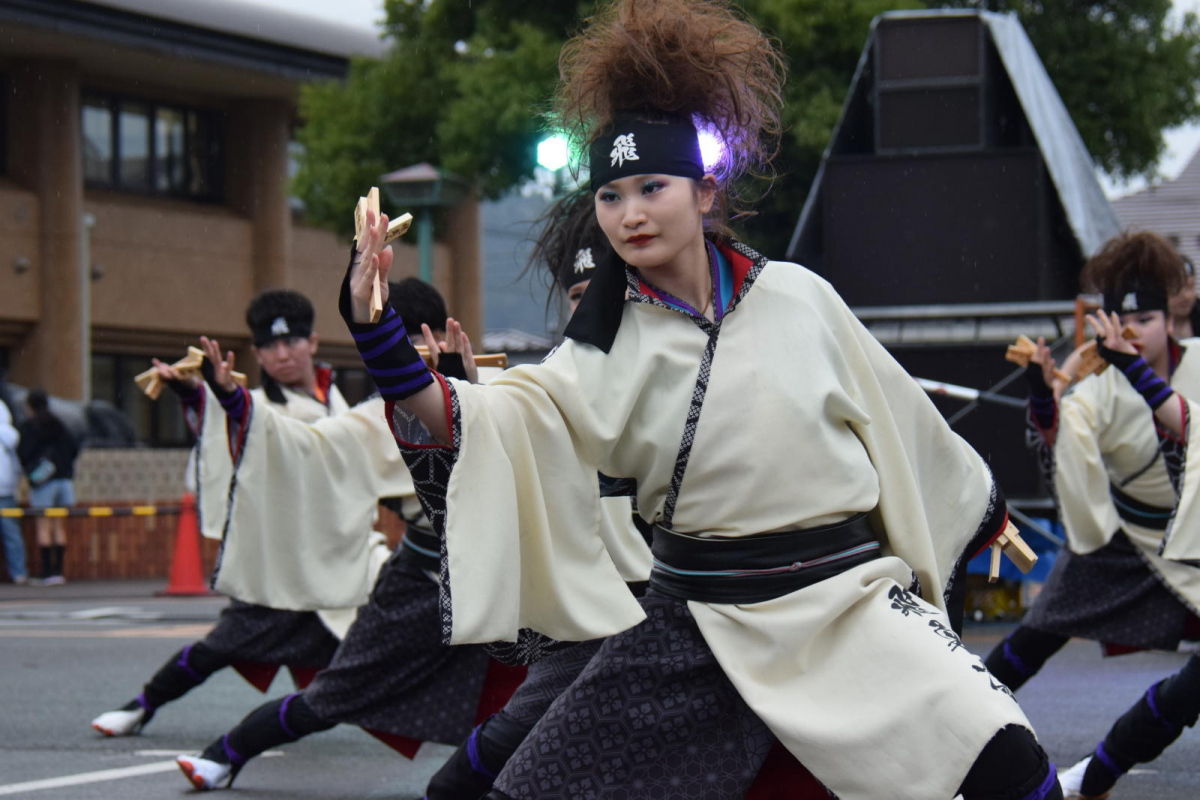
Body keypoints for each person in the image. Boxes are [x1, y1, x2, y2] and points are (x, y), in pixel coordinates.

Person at [340, 2, 1059, 799]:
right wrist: (373, 335)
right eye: (610, 196)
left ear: (706, 191)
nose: (632, 212)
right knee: (532, 788)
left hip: (844, 600)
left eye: (653, 186)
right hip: (697, 618)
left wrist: (984, 506)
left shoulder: (798, 297)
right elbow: (487, 418)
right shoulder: (600, 346)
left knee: (1007, 758)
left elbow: (897, 412)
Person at [170, 279, 515, 792]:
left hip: (499, 577)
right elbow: (301, 448)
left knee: (532, 692)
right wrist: (232, 400)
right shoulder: (374, 417)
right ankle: (228, 750)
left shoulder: (489, 389)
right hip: (419, 583)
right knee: (339, 692)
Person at [90, 290, 351, 738]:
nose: (283, 354)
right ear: (257, 353)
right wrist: (197, 392)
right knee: (223, 646)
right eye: (270, 346)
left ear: (313, 342)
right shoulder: (253, 403)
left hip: (338, 557)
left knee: (385, 648)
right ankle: (144, 705)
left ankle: (466, 732)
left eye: (292, 342)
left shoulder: (337, 403)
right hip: (277, 558)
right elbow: (231, 419)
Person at [984, 232, 1200, 695]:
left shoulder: (1198, 362)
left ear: (1169, 318)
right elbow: (1061, 445)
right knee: (1039, 632)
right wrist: (1043, 397)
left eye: (1146, 318)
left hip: (1193, 533)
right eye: (1122, 322)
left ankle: (1105, 766)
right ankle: (966, 710)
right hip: (1123, 536)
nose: (1134, 332)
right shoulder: (1097, 388)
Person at [17, 389, 79, 585]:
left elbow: (24, 453)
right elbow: (74, 447)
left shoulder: (30, 426)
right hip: (64, 480)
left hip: (44, 482)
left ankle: (46, 573)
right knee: (58, 526)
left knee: (43, 525)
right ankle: (58, 572)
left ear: (30, 406)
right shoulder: (60, 424)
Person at [0, 395, 26, 585]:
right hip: (6, 489)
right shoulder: (9, 435)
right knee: (11, 535)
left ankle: (18, 572)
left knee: (12, 535)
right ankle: (19, 573)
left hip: (6, 489)